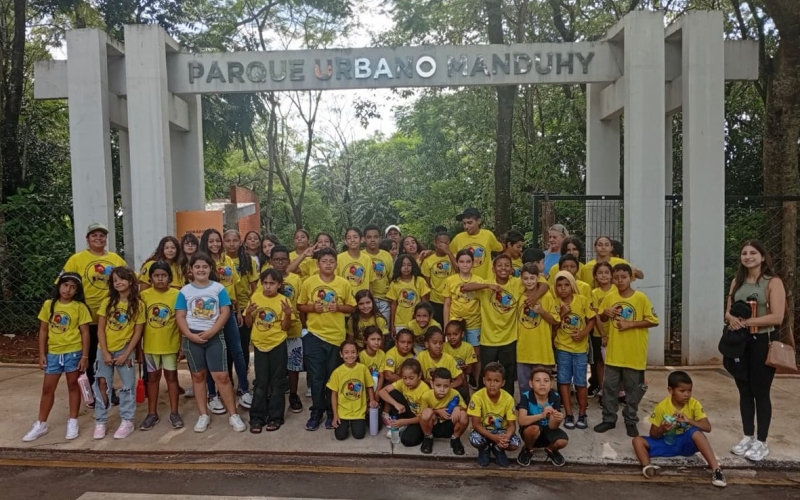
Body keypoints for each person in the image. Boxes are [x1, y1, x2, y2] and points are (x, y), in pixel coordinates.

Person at [725, 240, 786, 462]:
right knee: (744, 390)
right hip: (740, 342)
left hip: (762, 341)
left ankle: (761, 441)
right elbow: (728, 312)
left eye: (753, 253)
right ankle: (747, 435)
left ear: (762, 257)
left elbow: (777, 316)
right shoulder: (737, 282)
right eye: (744, 253)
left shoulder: (772, 282)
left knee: (760, 391)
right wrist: (732, 320)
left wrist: (749, 321)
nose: (748, 256)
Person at [176, 253, 246, 433]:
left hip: (214, 337)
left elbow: (225, 312)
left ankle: (233, 414)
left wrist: (212, 331)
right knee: (198, 376)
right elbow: (181, 316)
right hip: (192, 339)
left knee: (221, 376)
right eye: (197, 267)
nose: (201, 270)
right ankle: (203, 414)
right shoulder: (185, 291)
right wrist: (190, 336)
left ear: (210, 269)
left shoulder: (218, 289)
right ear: (191, 270)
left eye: (205, 267)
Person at [57, 222, 127, 397]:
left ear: (106, 239)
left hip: (112, 319)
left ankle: (108, 392)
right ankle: (93, 394)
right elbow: (61, 284)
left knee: (109, 357)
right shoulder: (76, 259)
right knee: (90, 357)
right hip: (86, 319)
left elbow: (129, 279)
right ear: (87, 239)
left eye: (102, 235)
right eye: (94, 235)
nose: (98, 238)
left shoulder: (116, 259)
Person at [23, 273, 91, 442]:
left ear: (77, 291)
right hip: (54, 353)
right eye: (65, 285)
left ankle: (73, 420)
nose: (68, 290)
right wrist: (42, 354)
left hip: (73, 352)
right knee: (47, 388)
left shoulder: (79, 307)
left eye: (73, 287)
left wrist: (84, 356)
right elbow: (44, 330)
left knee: (73, 386)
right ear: (59, 286)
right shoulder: (49, 305)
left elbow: (85, 332)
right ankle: (41, 423)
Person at [594, 264, 659, 437]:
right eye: (616, 277)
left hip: (634, 354)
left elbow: (654, 320)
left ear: (631, 277)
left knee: (633, 390)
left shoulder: (641, 298)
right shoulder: (610, 297)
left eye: (624, 277)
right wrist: (606, 313)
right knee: (609, 388)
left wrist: (631, 324)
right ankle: (608, 419)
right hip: (614, 354)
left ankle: (630, 419)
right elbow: (601, 317)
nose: (620, 280)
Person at [633, 371, 727, 488]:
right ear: (670, 390)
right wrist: (662, 428)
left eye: (689, 391)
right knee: (637, 440)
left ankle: (716, 470)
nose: (687, 394)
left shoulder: (694, 404)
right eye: (682, 391)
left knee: (697, 433)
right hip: (667, 442)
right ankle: (647, 467)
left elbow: (707, 427)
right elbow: (653, 435)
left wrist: (689, 421)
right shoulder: (662, 406)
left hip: (686, 443)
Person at [298, 246, 356, 431]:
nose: (328, 264)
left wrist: (338, 307)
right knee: (316, 377)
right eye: (324, 261)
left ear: (336, 264)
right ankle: (316, 411)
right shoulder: (309, 282)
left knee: (333, 377)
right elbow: (300, 306)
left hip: (336, 338)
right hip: (314, 335)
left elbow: (352, 307)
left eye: (331, 261)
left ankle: (332, 412)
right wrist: (312, 308)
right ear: (318, 264)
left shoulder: (343, 284)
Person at [199, 229, 250, 412]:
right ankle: (213, 394)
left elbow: (233, 287)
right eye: (211, 241)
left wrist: (236, 311)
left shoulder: (226, 260)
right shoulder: (202, 262)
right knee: (211, 355)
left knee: (237, 351)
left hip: (228, 311)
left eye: (217, 241)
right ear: (205, 242)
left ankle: (243, 389)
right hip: (209, 314)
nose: (215, 244)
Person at [93, 267, 145, 440]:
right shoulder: (107, 302)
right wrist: (105, 352)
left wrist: (126, 354)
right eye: (115, 280)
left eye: (122, 279)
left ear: (130, 281)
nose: (119, 283)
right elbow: (100, 330)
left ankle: (127, 420)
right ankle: (101, 420)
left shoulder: (138, 305)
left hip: (125, 349)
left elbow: (138, 332)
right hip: (105, 349)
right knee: (102, 384)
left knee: (127, 386)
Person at [465, 253, 522, 396]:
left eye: (507, 265)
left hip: (509, 338)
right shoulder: (486, 284)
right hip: (488, 339)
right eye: (499, 265)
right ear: (493, 268)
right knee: (486, 372)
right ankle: (482, 402)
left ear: (511, 269)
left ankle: (507, 402)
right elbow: (464, 287)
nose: (503, 268)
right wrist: (487, 285)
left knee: (508, 374)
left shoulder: (516, 283)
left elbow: (542, 284)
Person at [244, 268, 292, 433]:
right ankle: (257, 418)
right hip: (259, 345)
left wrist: (287, 314)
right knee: (260, 382)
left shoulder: (284, 300)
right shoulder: (255, 297)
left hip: (278, 344)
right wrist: (248, 313)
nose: (268, 286)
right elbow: (249, 323)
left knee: (277, 382)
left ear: (279, 285)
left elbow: (286, 328)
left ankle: (275, 417)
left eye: (272, 283)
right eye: (265, 283)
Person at [139, 262, 183, 431]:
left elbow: (180, 322)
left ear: (169, 278)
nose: (160, 279)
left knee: (172, 378)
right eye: (156, 276)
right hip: (150, 347)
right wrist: (139, 349)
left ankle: (174, 413)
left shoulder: (176, 295)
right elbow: (140, 324)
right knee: (152, 379)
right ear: (150, 278)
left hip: (170, 346)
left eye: (163, 276)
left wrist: (181, 346)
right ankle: (152, 414)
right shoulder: (144, 296)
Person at [552, 271, 595, 430]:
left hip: (580, 349)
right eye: (559, 285)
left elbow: (591, 319)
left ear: (572, 285)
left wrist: (583, 333)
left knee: (580, 382)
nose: (563, 289)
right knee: (563, 381)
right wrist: (561, 314)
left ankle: (582, 413)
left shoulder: (582, 300)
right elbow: (554, 326)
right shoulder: (555, 302)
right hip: (562, 347)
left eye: (566, 285)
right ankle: (568, 413)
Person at [268, 245, 304, 414]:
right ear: (271, 261)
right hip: (273, 330)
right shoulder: (266, 280)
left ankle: (294, 395)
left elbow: (300, 303)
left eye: (284, 259)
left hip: (294, 328)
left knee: (293, 364)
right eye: (277, 259)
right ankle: (274, 394)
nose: (280, 262)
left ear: (289, 261)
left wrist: (305, 324)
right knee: (274, 365)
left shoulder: (296, 279)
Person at [516, 263, 559, 397]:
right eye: (526, 278)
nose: (529, 281)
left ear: (537, 278)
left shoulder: (546, 297)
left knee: (543, 384)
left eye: (532, 278)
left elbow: (556, 320)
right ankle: (525, 408)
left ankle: (543, 408)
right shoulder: (519, 295)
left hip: (542, 349)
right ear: (521, 279)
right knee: (523, 384)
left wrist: (541, 311)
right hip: (523, 349)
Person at [442, 250, 484, 387]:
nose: (465, 264)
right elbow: (447, 304)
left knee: (475, 356)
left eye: (468, 261)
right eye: (461, 261)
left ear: (473, 263)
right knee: (454, 354)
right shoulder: (450, 280)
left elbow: (483, 303)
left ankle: (476, 382)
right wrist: (446, 325)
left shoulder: (479, 281)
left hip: (474, 322)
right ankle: (456, 382)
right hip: (455, 322)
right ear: (457, 263)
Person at [467, 362, 521, 467]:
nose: (492, 384)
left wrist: (505, 438)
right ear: (483, 380)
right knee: (475, 439)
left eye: (496, 381)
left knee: (515, 443)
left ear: (503, 382)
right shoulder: (477, 397)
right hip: (483, 430)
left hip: (501, 431)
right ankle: (484, 449)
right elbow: (476, 425)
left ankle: (498, 449)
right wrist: (493, 437)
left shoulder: (508, 398)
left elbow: (511, 425)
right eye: (489, 380)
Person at [516, 366, 569, 467]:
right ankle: (528, 449)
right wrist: (541, 415)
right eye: (537, 380)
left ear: (551, 384)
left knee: (563, 441)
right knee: (533, 428)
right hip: (531, 432)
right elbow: (521, 421)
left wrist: (558, 419)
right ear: (531, 384)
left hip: (547, 431)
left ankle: (550, 449)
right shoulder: (526, 396)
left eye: (546, 381)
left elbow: (552, 427)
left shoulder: (555, 396)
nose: (542, 384)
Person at [225, 229, 259, 384]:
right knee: (227, 348)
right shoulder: (221, 261)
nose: (232, 244)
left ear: (240, 242)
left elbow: (254, 287)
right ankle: (228, 379)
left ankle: (242, 380)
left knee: (242, 346)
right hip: (225, 308)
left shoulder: (248, 260)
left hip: (245, 308)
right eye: (228, 241)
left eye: (235, 240)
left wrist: (249, 310)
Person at [328, 340, 378, 441]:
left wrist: (372, 400)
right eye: (346, 353)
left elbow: (369, 386)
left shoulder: (363, 369)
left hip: (359, 410)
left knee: (359, 435)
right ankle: (346, 423)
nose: (350, 355)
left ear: (358, 353)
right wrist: (335, 415)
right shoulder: (337, 372)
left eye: (353, 352)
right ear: (341, 354)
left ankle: (357, 422)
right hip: (342, 411)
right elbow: (334, 394)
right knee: (340, 436)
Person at [378, 358, 430, 446]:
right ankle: (401, 425)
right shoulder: (402, 382)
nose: (407, 381)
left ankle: (406, 426)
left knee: (407, 440)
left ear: (419, 375)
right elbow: (382, 392)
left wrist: (404, 421)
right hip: (408, 411)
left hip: (419, 420)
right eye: (404, 378)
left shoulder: (425, 391)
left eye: (411, 378)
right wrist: (396, 404)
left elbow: (422, 418)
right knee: (392, 392)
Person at [419, 367, 468, 455]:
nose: (442, 389)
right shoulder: (426, 396)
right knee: (427, 412)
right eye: (438, 385)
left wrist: (458, 408)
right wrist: (437, 411)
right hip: (434, 425)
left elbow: (465, 408)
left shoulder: (454, 393)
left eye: (446, 386)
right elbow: (421, 415)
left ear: (451, 384)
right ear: (432, 383)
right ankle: (428, 437)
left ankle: (455, 439)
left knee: (463, 414)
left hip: (450, 424)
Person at [450, 207, 503, 280]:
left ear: (478, 221)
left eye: (469, 223)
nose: (466, 226)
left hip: (486, 281)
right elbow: (448, 254)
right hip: (465, 282)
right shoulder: (458, 238)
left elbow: (500, 249)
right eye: (464, 223)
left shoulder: (488, 235)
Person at [416, 327, 467, 402]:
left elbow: (459, 380)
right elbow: (418, 378)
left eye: (441, 343)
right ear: (427, 344)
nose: (438, 346)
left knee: (462, 392)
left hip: (445, 391)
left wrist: (445, 387)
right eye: (434, 343)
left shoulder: (448, 358)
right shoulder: (421, 356)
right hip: (430, 390)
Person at [387, 254, 431, 335]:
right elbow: (393, 305)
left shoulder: (419, 280)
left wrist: (427, 320)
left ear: (413, 266)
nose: (406, 267)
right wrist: (392, 325)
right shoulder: (394, 283)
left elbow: (425, 303)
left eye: (409, 265)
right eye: (403, 265)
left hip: (417, 321)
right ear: (398, 267)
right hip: (400, 322)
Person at [420, 229, 455, 325]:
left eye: (446, 243)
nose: (444, 245)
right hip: (435, 300)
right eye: (441, 243)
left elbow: (460, 270)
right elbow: (427, 283)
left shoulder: (453, 257)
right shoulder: (428, 261)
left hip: (453, 299)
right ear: (435, 243)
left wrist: (449, 253)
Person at [380, 329, 415, 424]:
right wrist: (406, 380)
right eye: (402, 342)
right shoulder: (391, 354)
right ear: (396, 343)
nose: (406, 345)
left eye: (409, 342)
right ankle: (385, 413)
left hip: (404, 384)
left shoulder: (413, 357)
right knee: (391, 387)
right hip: (390, 384)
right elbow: (388, 376)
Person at [363, 224, 394, 325]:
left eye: (375, 237)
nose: (372, 240)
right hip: (365, 300)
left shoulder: (387, 256)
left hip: (384, 300)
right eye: (369, 237)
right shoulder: (360, 256)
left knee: (383, 332)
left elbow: (390, 279)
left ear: (380, 238)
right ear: (363, 239)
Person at [338, 227, 375, 297]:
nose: (352, 240)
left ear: (361, 239)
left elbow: (370, 283)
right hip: (345, 299)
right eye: (349, 238)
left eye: (355, 237)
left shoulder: (367, 259)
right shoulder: (339, 258)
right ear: (345, 241)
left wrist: (371, 300)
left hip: (363, 300)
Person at [443, 319, 477, 387]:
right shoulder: (443, 346)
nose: (452, 337)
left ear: (462, 334)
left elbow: (469, 370)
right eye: (449, 335)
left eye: (455, 334)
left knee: (462, 377)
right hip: (446, 375)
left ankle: (466, 396)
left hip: (463, 375)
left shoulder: (468, 347)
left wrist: (456, 370)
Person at [359, 326, 386, 391]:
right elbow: (362, 377)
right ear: (365, 340)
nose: (376, 343)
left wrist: (377, 392)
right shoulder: (361, 356)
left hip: (376, 384)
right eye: (373, 339)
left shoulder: (382, 354)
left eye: (379, 339)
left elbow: (381, 376)